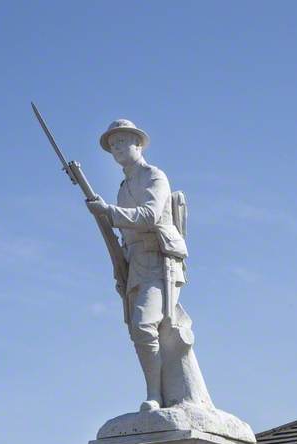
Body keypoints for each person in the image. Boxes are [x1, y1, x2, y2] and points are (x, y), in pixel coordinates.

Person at [87, 119, 212, 410]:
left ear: (138, 144)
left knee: (145, 326)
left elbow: (149, 216)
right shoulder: (123, 187)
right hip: (135, 264)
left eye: (122, 141)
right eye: (113, 144)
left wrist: (107, 211)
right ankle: (162, 393)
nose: (117, 148)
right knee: (138, 330)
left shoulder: (154, 176)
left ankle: (155, 395)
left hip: (160, 262)